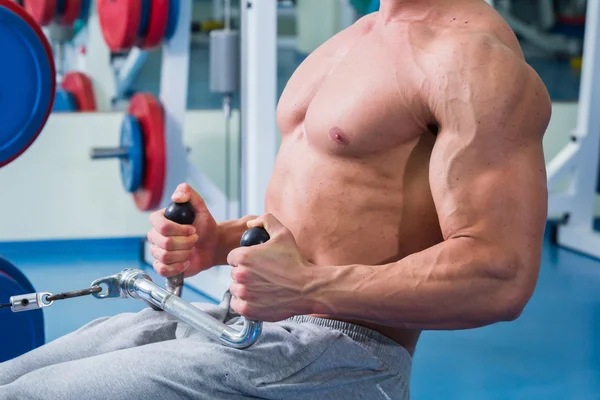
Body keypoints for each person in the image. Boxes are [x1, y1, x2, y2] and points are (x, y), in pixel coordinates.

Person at [0, 0, 551, 398]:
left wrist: (307, 286)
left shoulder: (472, 58)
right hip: (239, 324)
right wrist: (216, 244)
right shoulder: (358, 37)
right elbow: (331, 213)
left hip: (338, 358)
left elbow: (498, 273)